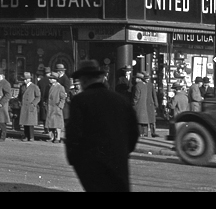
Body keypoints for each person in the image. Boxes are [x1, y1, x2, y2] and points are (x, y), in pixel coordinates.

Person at [65, 59, 138, 192]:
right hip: (118, 162)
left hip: (91, 165)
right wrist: (122, 151)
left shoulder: (80, 101)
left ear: (84, 80)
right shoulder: (120, 100)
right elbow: (133, 132)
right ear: (100, 78)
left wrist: (75, 159)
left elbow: (73, 134)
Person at [132, 73, 158, 138]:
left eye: (148, 78)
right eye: (146, 78)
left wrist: (156, 103)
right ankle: (145, 133)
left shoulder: (148, 85)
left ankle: (152, 132)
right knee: (144, 119)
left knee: (149, 120)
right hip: (144, 104)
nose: (147, 79)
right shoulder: (143, 85)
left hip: (148, 104)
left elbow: (154, 95)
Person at [44, 73, 69, 143]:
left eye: (51, 78)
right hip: (50, 108)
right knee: (50, 123)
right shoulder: (49, 86)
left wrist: (60, 106)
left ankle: (58, 138)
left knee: (57, 124)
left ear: (55, 80)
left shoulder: (60, 87)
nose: (50, 79)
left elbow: (63, 98)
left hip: (56, 108)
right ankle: (51, 137)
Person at [18, 70, 41, 141]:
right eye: (23, 79)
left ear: (29, 79)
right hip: (24, 107)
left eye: (25, 79)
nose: (24, 81)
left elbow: (38, 97)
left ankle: (31, 136)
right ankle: (26, 136)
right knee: (25, 122)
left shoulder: (34, 87)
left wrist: (33, 104)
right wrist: (19, 102)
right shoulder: (22, 87)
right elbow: (20, 96)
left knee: (30, 123)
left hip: (31, 106)